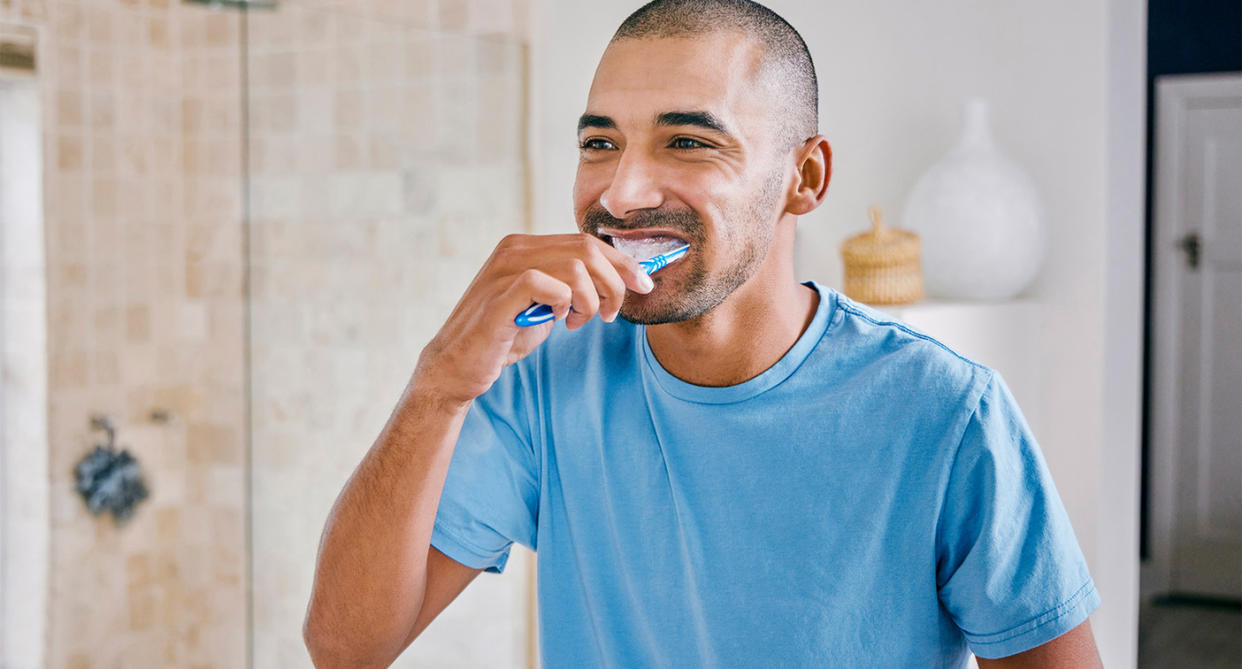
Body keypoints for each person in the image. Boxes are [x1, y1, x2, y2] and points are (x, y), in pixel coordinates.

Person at [303, 1, 1104, 667]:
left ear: (806, 177)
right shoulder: (541, 382)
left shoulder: (946, 412)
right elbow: (346, 647)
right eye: (599, 144)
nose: (622, 192)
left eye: (686, 141)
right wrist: (440, 382)